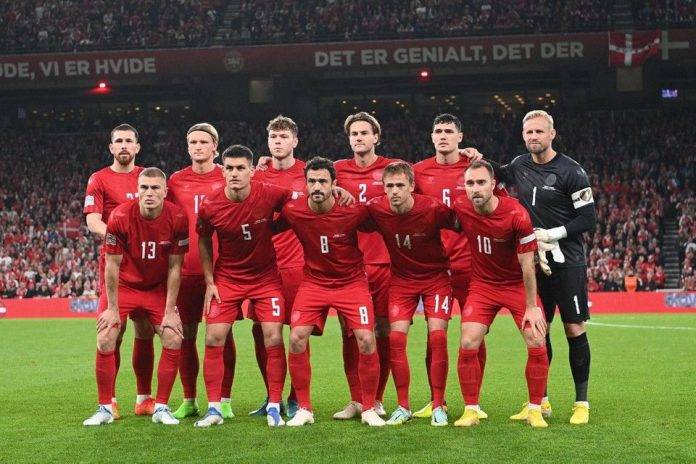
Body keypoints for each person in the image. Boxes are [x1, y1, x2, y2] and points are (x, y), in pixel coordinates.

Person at [486, 110, 596, 425]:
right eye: (529, 132)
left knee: (574, 328)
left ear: (551, 134)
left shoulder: (573, 171)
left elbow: (588, 219)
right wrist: (471, 155)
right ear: (523, 136)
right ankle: (541, 401)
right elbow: (495, 172)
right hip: (534, 263)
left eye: (539, 131)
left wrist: (551, 234)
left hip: (568, 262)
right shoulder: (519, 164)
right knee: (537, 330)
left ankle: (581, 403)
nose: (533, 137)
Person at [194, 145, 294, 428]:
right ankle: (214, 408)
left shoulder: (270, 193)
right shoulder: (210, 205)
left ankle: (274, 405)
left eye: (240, 168)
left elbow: (298, 202)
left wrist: (276, 228)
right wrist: (210, 281)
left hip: (266, 279)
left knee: (273, 337)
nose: (234, 173)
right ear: (222, 171)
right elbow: (203, 240)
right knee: (213, 337)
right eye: (229, 168)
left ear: (252, 171)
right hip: (228, 278)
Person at [279, 157, 384, 427]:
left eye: (323, 181)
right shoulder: (293, 211)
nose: (317, 186)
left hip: (351, 283)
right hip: (314, 283)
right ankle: (304, 409)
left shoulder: (352, 210)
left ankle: (368, 408)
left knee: (366, 339)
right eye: (312, 181)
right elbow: (265, 218)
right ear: (305, 184)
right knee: (296, 337)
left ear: (334, 184)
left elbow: (382, 218)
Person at [83, 168, 188, 426]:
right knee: (106, 336)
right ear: (137, 190)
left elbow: (175, 267)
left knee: (173, 337)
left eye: (155, 188)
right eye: (144, 188)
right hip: (124, 286)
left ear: (165, 191)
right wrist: (112, 309)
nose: (149, 193)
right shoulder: (120, 216)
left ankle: (161, 407)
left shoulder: (177, 217)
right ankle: (105, 408)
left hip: (155, 288)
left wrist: (170, 310)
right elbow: (112, 265)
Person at [412, 113, 499, 420]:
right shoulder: (418, 171)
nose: (443, 135)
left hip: (471, 265)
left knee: (474, 334)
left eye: (449, 131)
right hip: (434, 266)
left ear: (460, 137)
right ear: (431, 137)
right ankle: (437, 400)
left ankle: (474, 401)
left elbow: (497, 206)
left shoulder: (474, 168)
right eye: (438, 131)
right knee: (434, 335)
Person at [452, 160, 549, 428]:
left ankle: (535, 409)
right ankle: (471, 410)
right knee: (468, 342)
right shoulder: (461, 206)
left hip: (516, 285)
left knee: (536, 339)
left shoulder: (516, 214)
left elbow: (528, 265)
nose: (475, 188)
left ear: (493, 184)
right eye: (470, 183)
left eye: (481, 182)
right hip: (483, 286)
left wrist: (532, 306)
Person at [367, 162, 455, 426]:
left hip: (436, 278)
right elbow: (347, 216)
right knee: (395, 338)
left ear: (412, 186)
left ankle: (438, 405)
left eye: (400, 185)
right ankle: (403, 406)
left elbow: (465, 223)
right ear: (383, 188)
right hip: (402, 281)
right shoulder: (376, 208)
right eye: (389, 186)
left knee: (438, 336)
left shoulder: (433, 208)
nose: (394, 191)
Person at [83, 124, 156, 419]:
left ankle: (144, 399)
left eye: (129, 141)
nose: (124, 145)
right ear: (111, 147)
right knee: (112, 332)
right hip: (116, 268)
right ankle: (109, 401)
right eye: (119, 141)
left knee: (145, 331)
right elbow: (93, 221)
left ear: (137, 147)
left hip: (148, 267)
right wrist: (120, 238)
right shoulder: (99, 178)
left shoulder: (148, 177)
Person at [167, 123, 237, 420]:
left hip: (221, 271)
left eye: (203, 142)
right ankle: (189, 399)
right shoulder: (175, 181)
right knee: (186, 336)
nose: (198, 146)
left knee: (223, 335)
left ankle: (224, 400)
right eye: (193, 142)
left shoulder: (227, 175)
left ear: (215, 147)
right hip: (185, 271)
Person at [332, 112, 398, 419]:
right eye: (354, 134)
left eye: (364, 133)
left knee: (381, 331)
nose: (358, 138)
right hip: (346, 264)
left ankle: (377, 398)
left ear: (376, 137)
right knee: (350, 333)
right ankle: (357, 400)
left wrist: (467, 154)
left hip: (384, 261)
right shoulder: (336, 170)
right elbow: (304, 182)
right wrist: (264, 163)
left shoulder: (393, 168)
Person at [247, 115, 306, 419]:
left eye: (284, 136)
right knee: (261, 331)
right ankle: (272, 396)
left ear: (295, 140)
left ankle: (297, 397)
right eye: (273, 137)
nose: (278, 141)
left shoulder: (308, 173)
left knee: (298, 331)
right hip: (262, 267)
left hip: (297, 265)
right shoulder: (256, 175)